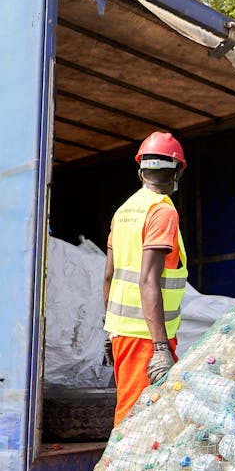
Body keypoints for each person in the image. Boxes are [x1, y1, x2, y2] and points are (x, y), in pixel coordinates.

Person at [103, 131, 188, 425]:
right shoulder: (161, 211)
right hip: (146, 338)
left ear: (141, 171)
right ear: (176, 171)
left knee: (140, 414)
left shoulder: (123, 212)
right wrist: (161, 348)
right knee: (136, 421)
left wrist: (108, 330)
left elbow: (109, 276)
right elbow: (148, 280)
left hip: (123, 334)